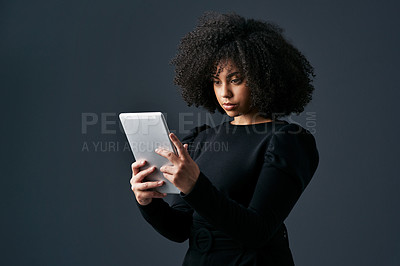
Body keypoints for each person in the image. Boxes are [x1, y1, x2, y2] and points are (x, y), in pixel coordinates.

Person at [129, 11, 319, 265]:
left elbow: (257, 231)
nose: (225, 92)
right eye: (216, 82)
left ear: (264, 79)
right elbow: (179, 230)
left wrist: (195, 186)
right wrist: (147, 202)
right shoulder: (201, 139)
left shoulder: (288, 140)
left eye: (236, 80)